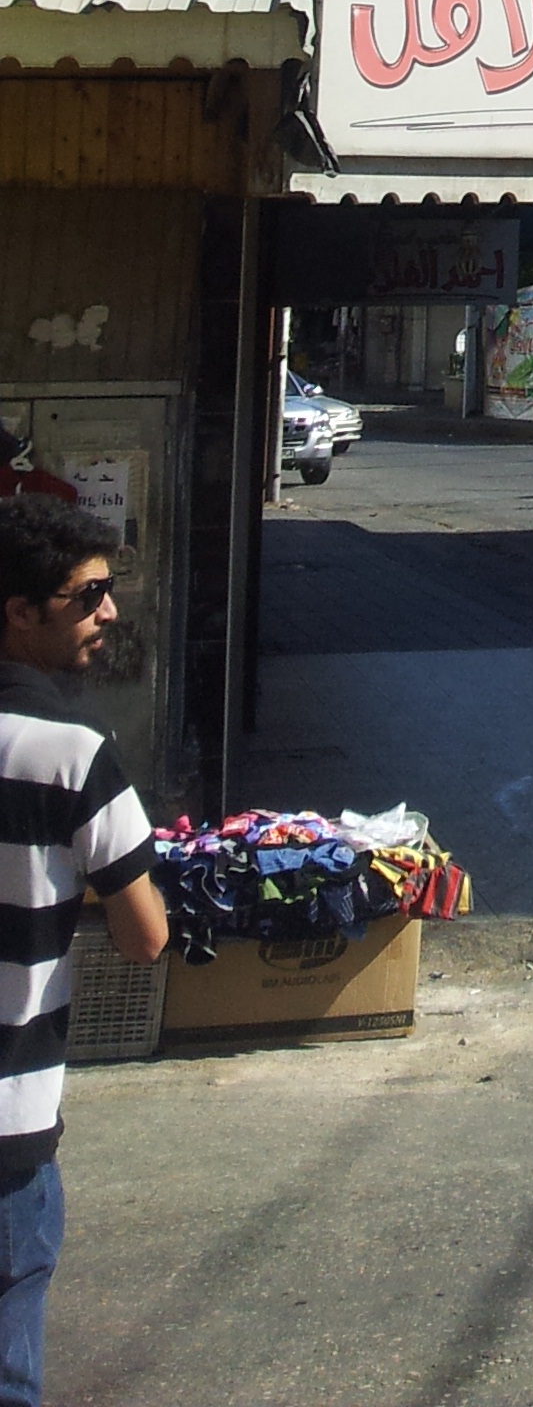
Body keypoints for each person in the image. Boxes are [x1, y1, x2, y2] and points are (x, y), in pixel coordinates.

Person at [0, 500, 164, 1404]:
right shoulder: (70, 755)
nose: (108, 612)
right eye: (89, 595)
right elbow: (146, 938)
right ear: (21, 611)